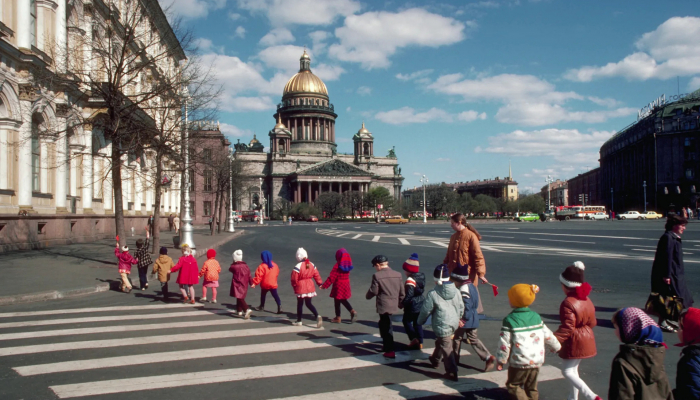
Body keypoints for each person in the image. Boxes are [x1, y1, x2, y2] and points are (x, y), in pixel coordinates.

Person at [496, 284, 561, 400]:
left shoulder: (509, 320)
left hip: (519, 361)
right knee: (531, 387)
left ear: (514, 301)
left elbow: (504, 343)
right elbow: (547, 334)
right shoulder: (536, 316)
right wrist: (556, 346)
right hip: (536, 359)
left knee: (513, 385)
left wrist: (501, 360)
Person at [553, 261, 601, 400]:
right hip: (587, 337)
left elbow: (567, 327)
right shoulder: (586, 299)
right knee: (574, 370)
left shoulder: (568, 303)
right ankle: (573, 398)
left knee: (567, 371)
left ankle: (592, 396)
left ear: (565, 286)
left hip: (575, 340)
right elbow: (593, 322)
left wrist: (554, 341)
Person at [608, 307, 673, 400]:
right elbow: (666, 392)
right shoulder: (656, 354)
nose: (615, 332)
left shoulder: (623, 362)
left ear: (629, 328)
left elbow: (621, 395)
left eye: (617, 328)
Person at [417, 264, 464, 382]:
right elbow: (461, 307)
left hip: (442, 324)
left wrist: (420, 321)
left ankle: (452, 371)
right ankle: (435, 359)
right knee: (442, 341)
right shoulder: (457, 291)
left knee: (447, 346)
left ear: (436, 280)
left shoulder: (433, 294)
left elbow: (425, 310)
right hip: (453, 322)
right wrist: (458, 318)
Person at [651, 214, 693, 332]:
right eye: (682, 226)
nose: (684, 228)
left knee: (676, 298)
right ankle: (665, 322)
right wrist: (667, 275)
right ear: (674, 226)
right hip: (671, 274)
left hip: (675, 273)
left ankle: (669, 321)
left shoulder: (673, 237)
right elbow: (666, 258)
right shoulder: (668, 238)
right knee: (670, 299)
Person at [450, 263, 496, 371]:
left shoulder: (463, 289)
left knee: (457, 338)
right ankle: (488, 357)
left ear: (458, 280)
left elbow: (467, 305)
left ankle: (454, 359)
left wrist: (463, 319)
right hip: (474, 317)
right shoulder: (472, 286)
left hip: (466, 319)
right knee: (473, 339)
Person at [444, 213, 488, 313]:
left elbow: (478, 256)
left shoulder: (471, 236)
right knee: (457, 300)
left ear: (459, 223)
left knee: (470, 298)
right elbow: (448, 256)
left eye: (452, 223)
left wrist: (481, 273)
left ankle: (473, 321)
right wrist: (444, 267)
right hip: (454, 274)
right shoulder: (453, 237)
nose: (451, 225)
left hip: (468, 275)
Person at [366, 254, 405, 359]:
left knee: (386, 327)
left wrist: (368, 296)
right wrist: (401, 303)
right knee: (384, 324)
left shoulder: (377, 276)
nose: (375, 268)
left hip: (384, 305)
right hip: (394, 304)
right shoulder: (398, 274)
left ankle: (389, 350)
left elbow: (374, 291)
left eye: (375, 266)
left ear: (378, 265)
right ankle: (386, 345)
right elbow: (402, 291)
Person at [321, 248, 357, 323]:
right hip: (346, 284)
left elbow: (332, 277)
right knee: (343, 299)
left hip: (338, 285)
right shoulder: (348, 265)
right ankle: (352, 311)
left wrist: (324, 285)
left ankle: (338, 317)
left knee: (337, 301)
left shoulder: (337, 265)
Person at [291, 248, 323, 328]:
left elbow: (294, 279)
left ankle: (299, 320)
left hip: (301, 286)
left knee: (300, 304)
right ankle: (317, 315)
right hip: (310, 285)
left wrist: (295, 287)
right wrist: (319, 284)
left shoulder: (297, 266)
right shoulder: (312, 264)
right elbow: (316, 275)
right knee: (308, 303)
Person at [401, 253, 425, 350]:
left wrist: (403, 303)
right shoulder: (421, 277)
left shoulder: (410, 280)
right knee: (417, 323)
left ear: (409, 270)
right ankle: (420, 341)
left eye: (405, 270)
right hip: (421, 302)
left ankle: (413, 339)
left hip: (412, 305)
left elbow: (409, 295)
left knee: (406, 321)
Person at [675, 307, 700, 399]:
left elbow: (691, 393)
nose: (678, 331)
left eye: (681, 327)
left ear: (692, 330)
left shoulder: (690, 361)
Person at [230, 250, 252, 319]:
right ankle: (239, 310)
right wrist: (251, 283)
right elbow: (249, 275)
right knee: (239, 296)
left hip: (237, 284)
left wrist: (233, 262)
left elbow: (230, 269)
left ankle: (246, 309)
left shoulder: (234, 267)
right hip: (244, 283)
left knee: (240, 297)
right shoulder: (246, 266)